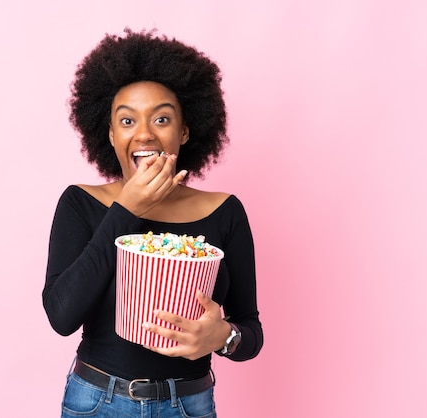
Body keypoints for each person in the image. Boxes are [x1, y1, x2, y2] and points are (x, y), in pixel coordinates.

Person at [43, 28, 263, 417]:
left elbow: (250, 331)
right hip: (98, 403)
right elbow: (61, 316)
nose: (144, 133)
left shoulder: (225, 211)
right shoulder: (81, 203)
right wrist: (126, 210)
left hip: (190, 404)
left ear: (185, 131)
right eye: (127, 122)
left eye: (161, 118)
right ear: (109, 134)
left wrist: (223, 336)